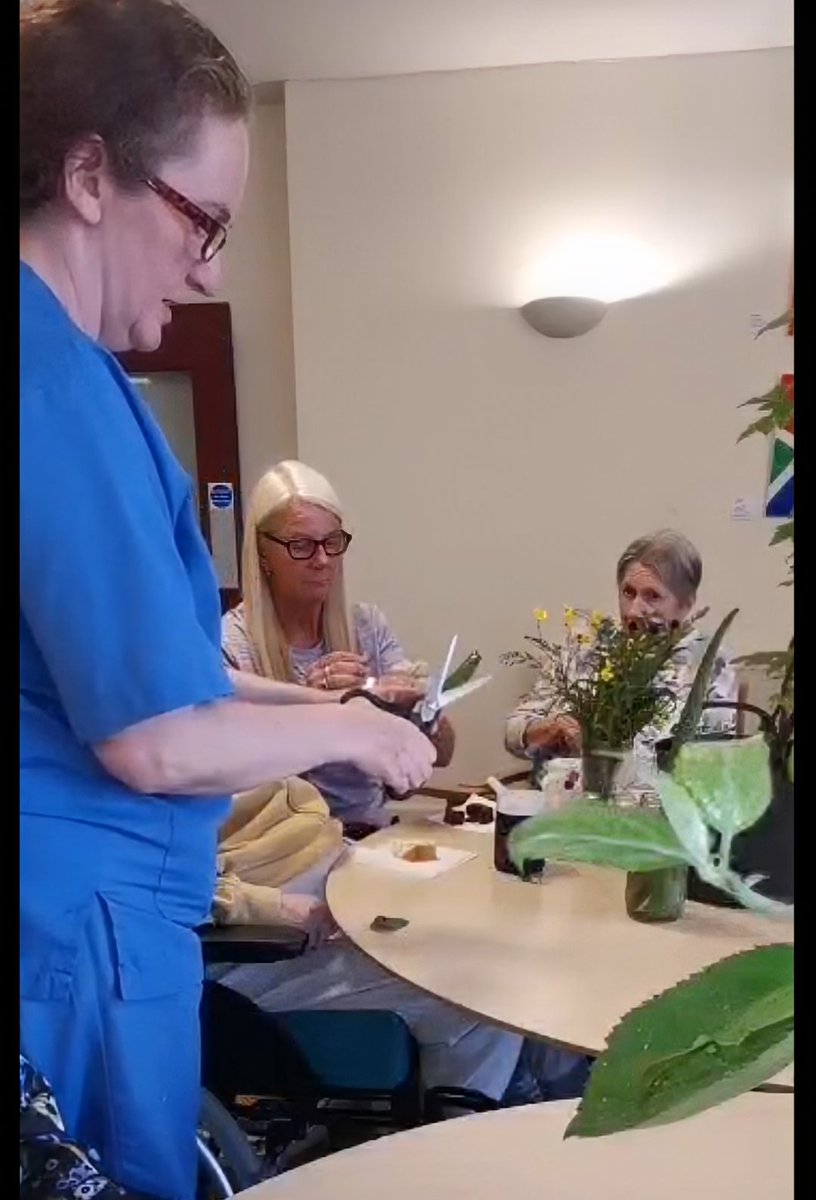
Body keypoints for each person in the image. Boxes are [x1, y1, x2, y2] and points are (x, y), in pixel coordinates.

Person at [20, 4, 434, 1198]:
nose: (211, 266)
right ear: (91, 174)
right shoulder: (52, 387)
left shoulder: (74, 377)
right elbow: (152, 737)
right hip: (76, 939)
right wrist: (352, 726)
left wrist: (312, 713)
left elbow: (165, 671)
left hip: (92, 929)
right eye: (203, 222)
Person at [209, 777, 589, 1106]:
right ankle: (471, 1136)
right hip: (260, 939)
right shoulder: (166, 740)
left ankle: (551, 1088)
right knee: (478, 983)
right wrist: (269, 906)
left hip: (334, 869)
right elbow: (156, 887)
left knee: (503, 923)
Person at [222, 460, 455, 829]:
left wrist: (418, 714)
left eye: (333, 542)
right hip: (285, 846)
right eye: (301, 545)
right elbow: (238, 789)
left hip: (371, 839)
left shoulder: (367, 627)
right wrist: (315, 711)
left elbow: (436, 760)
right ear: (262, 552)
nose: (323, 559)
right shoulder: (233, 646)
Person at [505, 530, 738, 776]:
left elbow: (714, 763)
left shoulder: (710, 664)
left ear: (686, 604)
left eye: (653, 596)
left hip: (652, 808)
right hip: (558, 800)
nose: (635, 610)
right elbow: (513, 731)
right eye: (628, 592)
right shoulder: (584, 643)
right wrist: (549, 729)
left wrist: (599, 744)